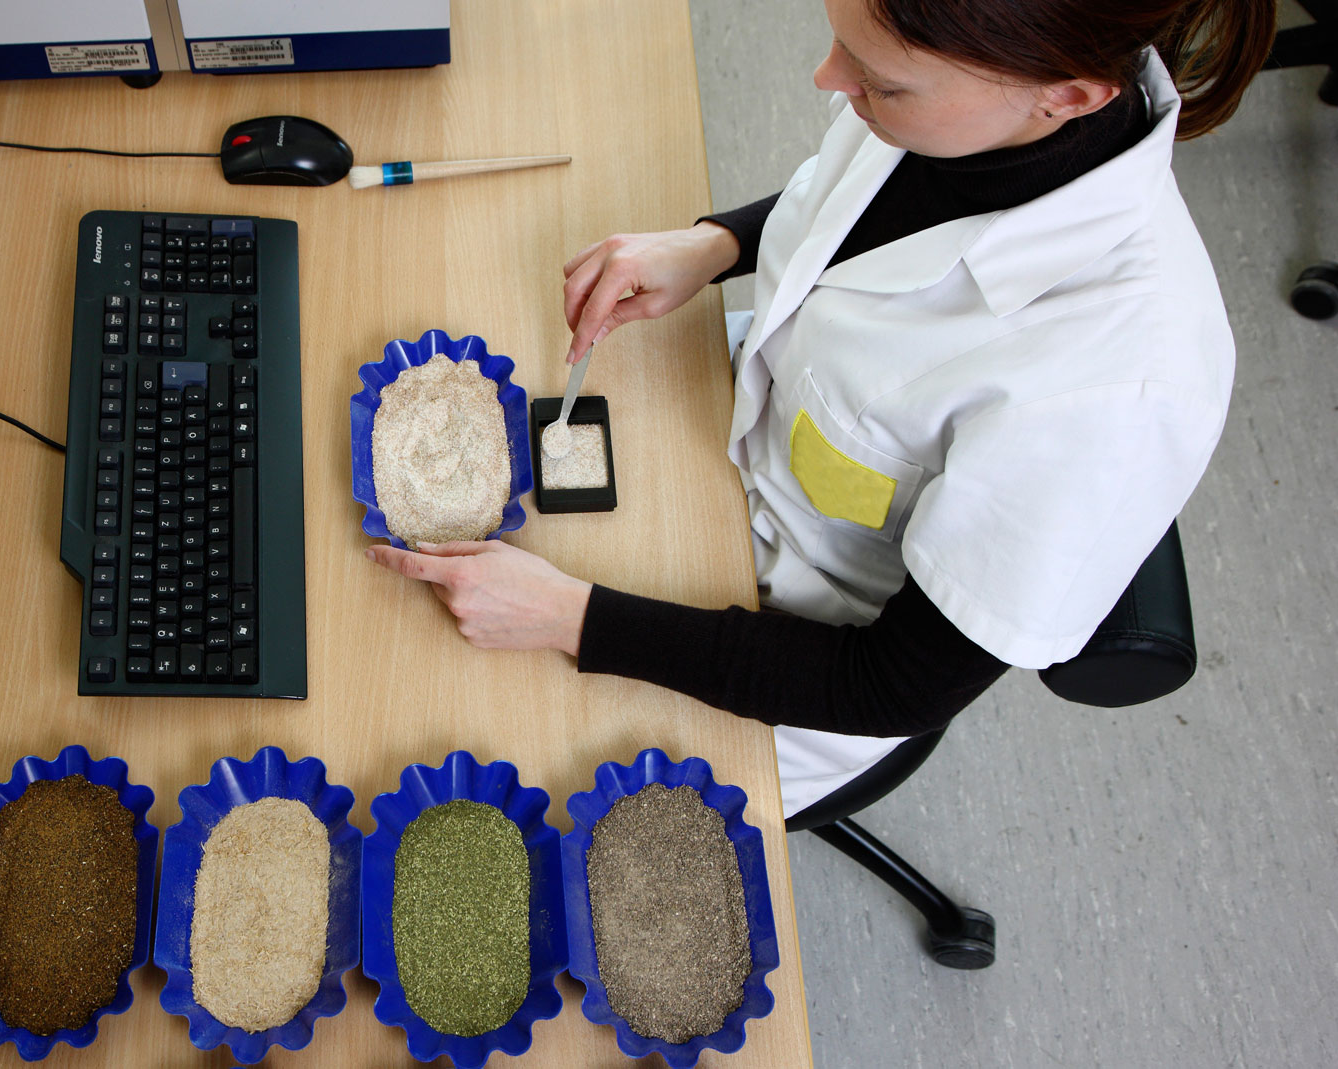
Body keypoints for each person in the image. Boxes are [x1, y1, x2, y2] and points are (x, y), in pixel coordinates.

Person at [365, 0, 1276, 816]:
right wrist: (712, 245)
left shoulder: (1114, 387)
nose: (828, 81)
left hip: (794, 653)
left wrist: (575, 618)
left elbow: (891, 688)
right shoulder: (966, 103)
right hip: (727, 446)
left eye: (875, 79)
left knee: (462, 762)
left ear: (1069, 97)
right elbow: (847, 209)